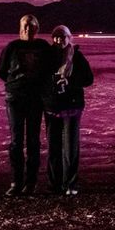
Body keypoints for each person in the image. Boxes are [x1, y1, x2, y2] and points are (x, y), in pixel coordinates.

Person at [0, 14, 51, 196]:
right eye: (25, 25)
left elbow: (51, 68)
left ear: (37, 28)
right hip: (15, 98)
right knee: (16, 141)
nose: (28, 28)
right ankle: (16, 182)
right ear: (21, 28)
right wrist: (17, 85)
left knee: (33, 141)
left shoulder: (43, 47)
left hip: (36, 100)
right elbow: (2, 71)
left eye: (32, 25)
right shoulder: (12, 47)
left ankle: (31, 182)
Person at [43, 25, 94, 196]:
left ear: (69, 37)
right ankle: (54, 184)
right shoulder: (48, 56)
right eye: (56, 36)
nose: (59, 40)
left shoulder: (76, 56)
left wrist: (70, 81)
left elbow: (89, 79)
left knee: (70, 148)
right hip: (52, 107)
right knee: (54, 148)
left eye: (63, 36)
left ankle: (70, 184)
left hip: (71, 108)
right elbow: (40, 78)